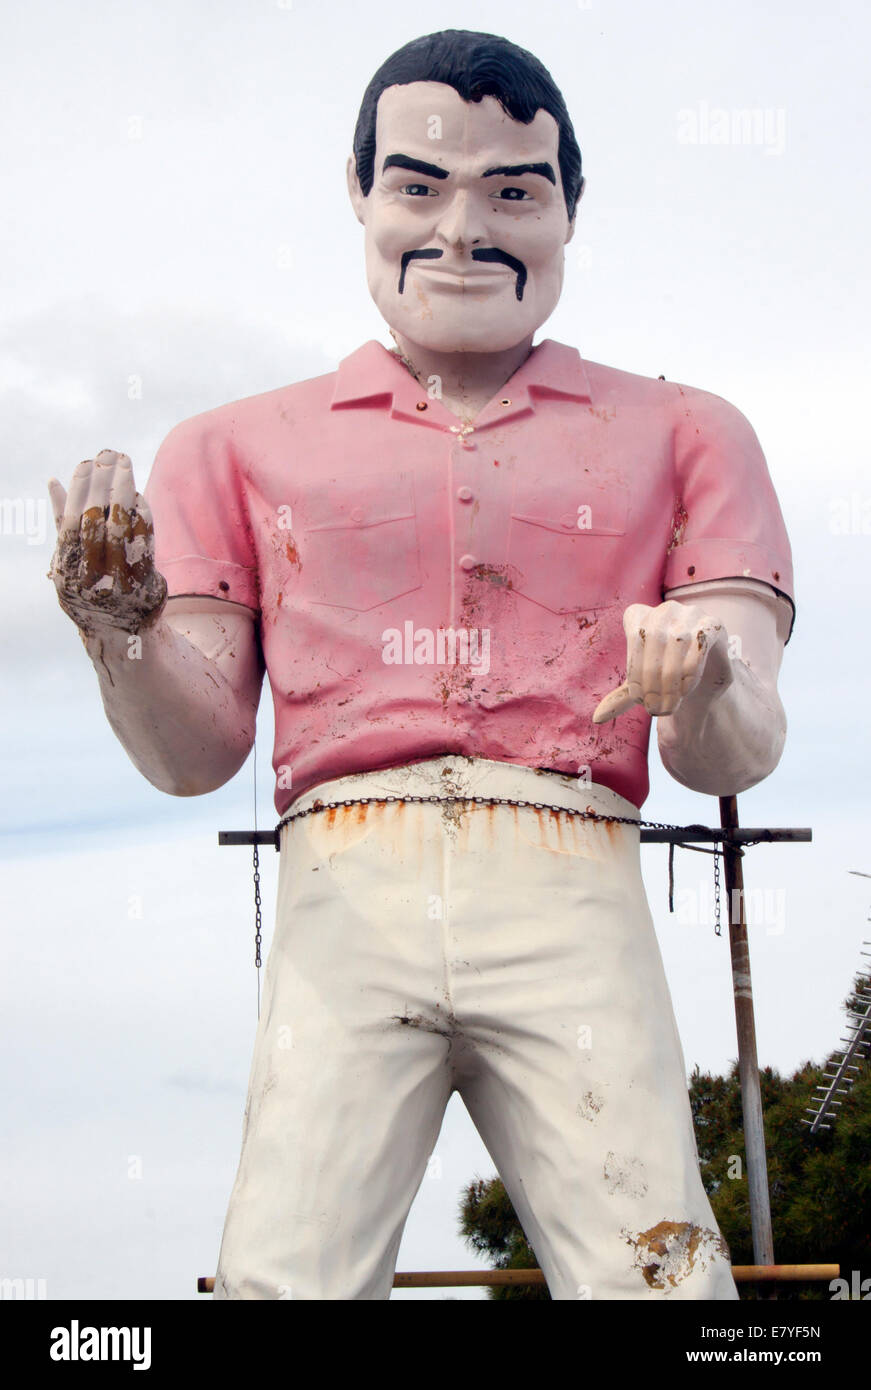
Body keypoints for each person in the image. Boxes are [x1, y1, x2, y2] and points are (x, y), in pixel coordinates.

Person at [47, 30, 794, 1300]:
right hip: (348, 879)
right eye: (418, 185)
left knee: (655, 1275)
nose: (462, 228)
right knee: (283, 1278)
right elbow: (196, 752)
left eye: (512, 189)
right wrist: (121, 634)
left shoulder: (686, 433)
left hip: (573, 862)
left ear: (567, 209)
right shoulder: (233, 447)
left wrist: (707, 676)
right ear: (360, 193)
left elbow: (741, 743)